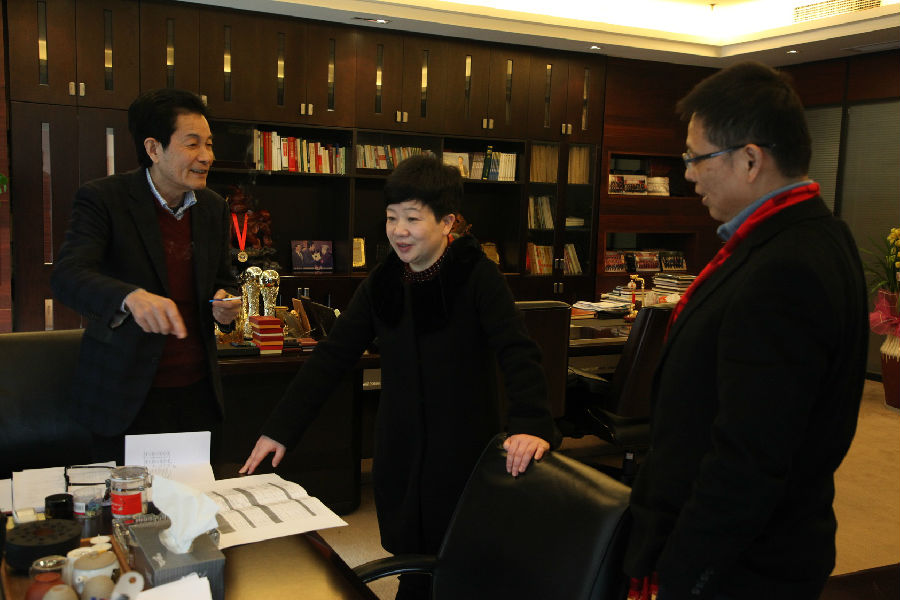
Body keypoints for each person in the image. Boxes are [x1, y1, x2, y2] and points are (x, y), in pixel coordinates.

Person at [240, 154, 560, 600]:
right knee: (412, 561)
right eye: (392, 218)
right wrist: (281, 428)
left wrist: (530, 423)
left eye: (413, 218)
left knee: (460, 565)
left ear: (447, 222)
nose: (399, 231)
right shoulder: (384, 280)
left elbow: (517, 351)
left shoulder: (476, 275)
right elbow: (332, 356)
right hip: (401, 448)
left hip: (462, 448)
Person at [624, 62, 868, 599]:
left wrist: (684, 575)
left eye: (695, 158)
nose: (689, 175)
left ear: (751, 159)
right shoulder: (809, 235)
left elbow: (749, 457)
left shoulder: (786, 267)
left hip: (744, 568)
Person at [51, 88, 242, 465]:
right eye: (192, 144)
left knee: (196, 496)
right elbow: (68, 276)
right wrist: (129, 297)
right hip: (124, 395)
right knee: (127, 498)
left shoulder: (213, 208)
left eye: (209, 144)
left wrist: (225, 300)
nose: (207, 156)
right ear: (154, 148)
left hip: (196, 393)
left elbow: (224, 277)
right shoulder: (104, 199)